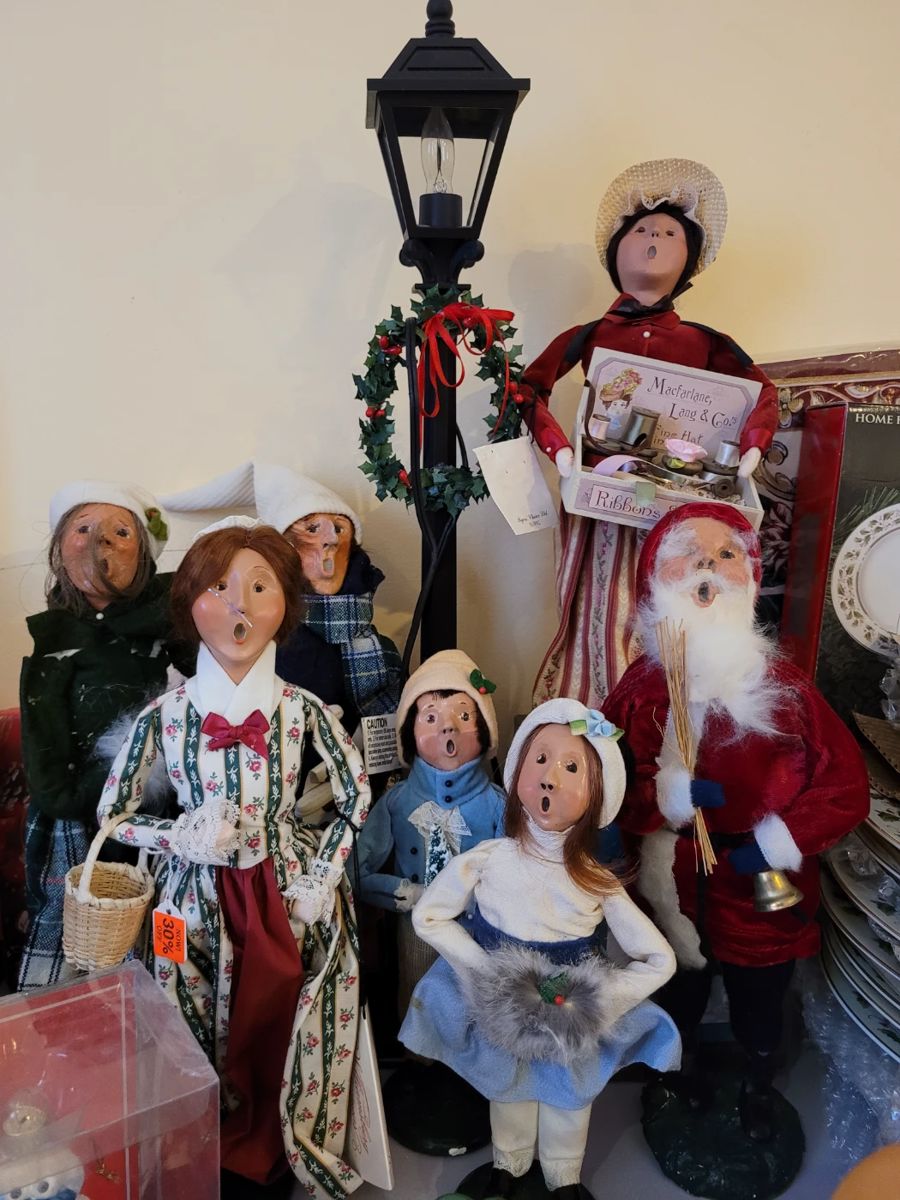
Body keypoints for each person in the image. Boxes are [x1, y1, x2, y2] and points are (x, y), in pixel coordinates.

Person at [97, 518, 371, 1200]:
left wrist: (322, 874)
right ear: (191, 601)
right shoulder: (167, 714)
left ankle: (280, 1143)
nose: (239, 606)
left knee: (284, 1014)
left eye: (259, 586)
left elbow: (355, 793)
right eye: (219, 587)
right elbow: (114, 815)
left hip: (285, 887)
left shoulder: (303, 709)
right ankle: (202, 1148)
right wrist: (181, 839)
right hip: (191, 897)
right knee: (187, 1011)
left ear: (286, 604)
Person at [602, 502, 870, 1141]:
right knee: (675, 985)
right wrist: (663, 798)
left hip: (760, 885)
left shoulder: (789, 690)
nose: (709, 566)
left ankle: (758, 1084)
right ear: (655, 581)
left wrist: (776, 842)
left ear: (748, 578)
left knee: (760, 996)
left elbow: (843, 788)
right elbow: (603, 783)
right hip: (669, 880)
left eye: (726, 554)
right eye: (689, 554)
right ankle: (675, 1071)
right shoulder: (640, 691)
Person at [516, 158, 779, 705]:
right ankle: (591, 701)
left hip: (676, 497)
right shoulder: (591, 335)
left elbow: (763, 395)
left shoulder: (706, 342)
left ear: (690, 259)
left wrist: (751, 451)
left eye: (668, 233)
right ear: (616, 250)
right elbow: (529, 388)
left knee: (668, 601)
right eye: (641, 230)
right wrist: (559, 449)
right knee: (600, 599)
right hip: (603, 491)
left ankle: (660, 713)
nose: (653, 239)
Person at [401, 698, 679, 1199]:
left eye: (572, 768)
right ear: (516, 772)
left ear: (597, 795)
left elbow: (659, 959)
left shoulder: (597, 882)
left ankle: (562, 1177)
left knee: (568, 1098)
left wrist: (598, 1001)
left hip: (568, 1018)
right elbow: (430, 916)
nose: (550, 778)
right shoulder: (488, 860)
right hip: (502, 1013)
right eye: (541, 759)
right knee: (507, 1088)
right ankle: (508, 1167)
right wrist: (486, 973)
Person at [18, 480, 179, 991]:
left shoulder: (170, 628)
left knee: (159, 931)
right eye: (82, 528)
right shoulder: (56, 641)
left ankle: (163, 1008)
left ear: (144, 555)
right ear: (59, 548)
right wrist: (81, 795)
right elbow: (43, 745)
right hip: (75, 821)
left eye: (120, 531)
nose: (99, 541)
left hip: (157, 817)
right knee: (80, 937)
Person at [356, 649, 505, 1017]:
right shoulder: (397, 802)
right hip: (415, 929)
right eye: (431, 716)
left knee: (474, 1004)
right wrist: (403, 893)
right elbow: (357, 870)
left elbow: (515, 876)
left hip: (478, 930)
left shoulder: (497, 804)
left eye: (464, 715)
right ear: (410, 730)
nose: (448, 726)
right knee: (417, 998)